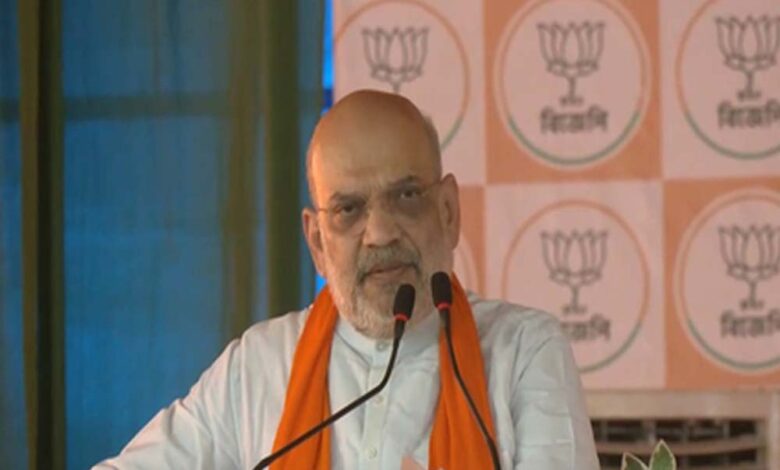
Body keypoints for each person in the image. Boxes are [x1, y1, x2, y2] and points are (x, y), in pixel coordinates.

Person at [94, 90, 599, 469]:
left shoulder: (522, 352)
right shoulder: (259, 366)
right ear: (317, 242)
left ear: (448, 212)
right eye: (348, 209)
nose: (380, 234)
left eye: (406, 196)